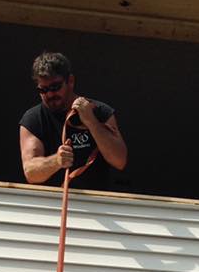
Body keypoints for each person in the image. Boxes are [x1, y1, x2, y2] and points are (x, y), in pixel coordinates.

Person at [19, 52, 127, 190]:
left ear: (70, 81)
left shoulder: (99, 111)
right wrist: (56, 161)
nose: (50, 94)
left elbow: (119, 160)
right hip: (51, 204)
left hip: (96, 204)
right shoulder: (33, 119)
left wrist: (91, 122)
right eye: (43, 89)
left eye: (55, 87)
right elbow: (30, 172)